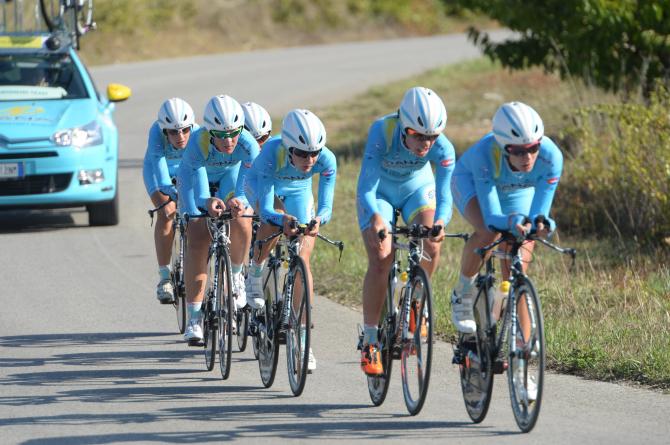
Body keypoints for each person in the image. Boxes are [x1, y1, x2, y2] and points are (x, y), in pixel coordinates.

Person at [450, 101, 563, 400]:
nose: (527, 156)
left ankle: (521, 366)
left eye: (532, 148)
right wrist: (511, 222)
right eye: (518, 150)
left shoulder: (551, 157)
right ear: (503, 146)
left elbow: (541, 212)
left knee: (518, 265)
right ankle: (462, 291)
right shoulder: (485, 154)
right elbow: (491, 215)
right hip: (475, 185)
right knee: (490, 232)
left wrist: (540, 223)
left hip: (518, 192)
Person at [356, 86, 456, 376]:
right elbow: (366, 186)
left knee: (431, 243)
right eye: (418, 135)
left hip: (417, 189)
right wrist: (375, 217)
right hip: (380, 194)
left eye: (432, 136)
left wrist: (441, 222)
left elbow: (445, 195)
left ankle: (415, 304)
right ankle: (371, 340)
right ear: (403, 125)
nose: (426, 143)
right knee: (382, 257)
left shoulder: (443, 147)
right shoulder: (382, 131)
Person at [244, 109, 336, 372]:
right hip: (266, 189)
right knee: (273, 220)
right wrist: (280, 220)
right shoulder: (271, 154)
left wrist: (319, 219)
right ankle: (255, 273)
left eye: (314, 152)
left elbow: (327, 206)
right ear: (288, 146)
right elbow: (267, 208)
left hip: (299, 192)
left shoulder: (326, 159)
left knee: (303, 260)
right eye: (302, 153)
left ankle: (305, 341)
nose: (310, 159)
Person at [178, 94, 260, 343]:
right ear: (211, 132)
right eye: (222, 136)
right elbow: (199, 182)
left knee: (243, 216)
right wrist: (205, 202)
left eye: (234, 133)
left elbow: (250, 179)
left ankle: (235, 276)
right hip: (195, 180)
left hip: (229, 179)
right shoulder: (198, 141)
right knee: (198, 237)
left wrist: (239, 199)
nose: (230, 140)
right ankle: (194, 318)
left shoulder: (247, 144)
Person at [142, 98, 197, 304]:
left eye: (184, 130)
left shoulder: (200, 134)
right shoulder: (155, 132)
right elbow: (158, 165)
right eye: (173, 132)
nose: (180, 136)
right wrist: (169, 191)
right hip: (158, 170)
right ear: (164, 130)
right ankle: (164, 278)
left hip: (186, 169)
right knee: (167, 212)